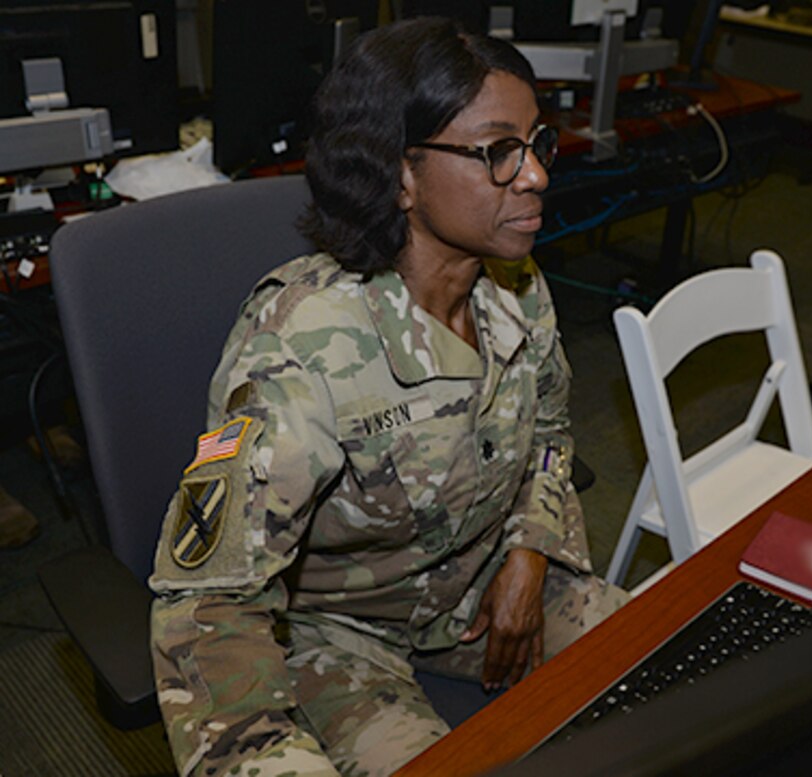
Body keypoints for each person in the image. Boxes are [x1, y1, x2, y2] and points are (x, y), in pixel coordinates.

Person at [148, 18, 628, 777]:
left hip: (476, 585)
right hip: (338, 637)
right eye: (498, 151)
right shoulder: (303, 349)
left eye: (538, 144)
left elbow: (551, 432)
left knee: (685, 670)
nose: (535, 175)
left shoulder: (516, 285)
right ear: (398, 174)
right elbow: (208, 608)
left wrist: (530, 551)